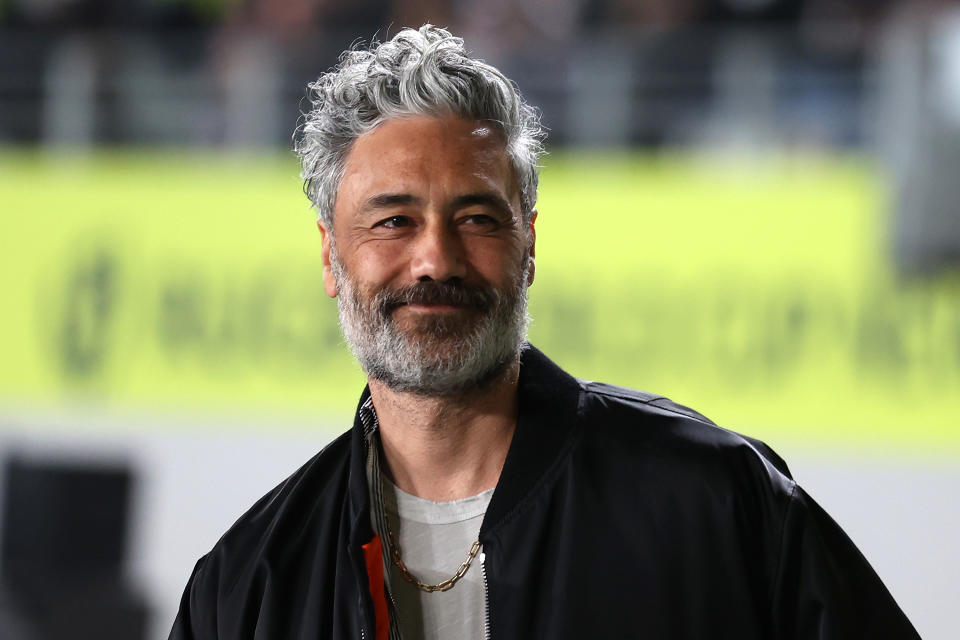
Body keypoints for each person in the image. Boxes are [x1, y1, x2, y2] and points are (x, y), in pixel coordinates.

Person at [169, 25, 920, 640]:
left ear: (528, 246)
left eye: (477, 218)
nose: (435, 257)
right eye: (394, 221)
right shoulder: (246, 585)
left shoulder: (717, 504)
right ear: (332, 257)